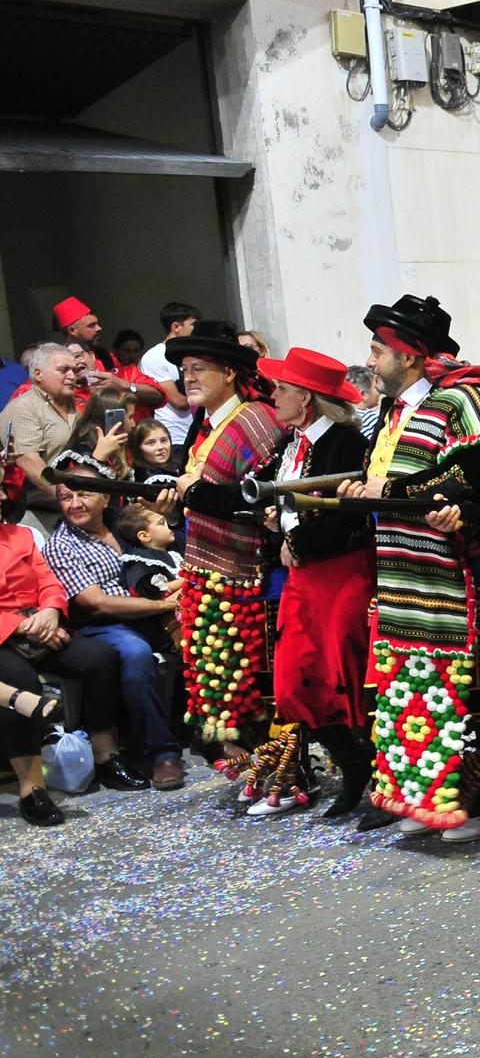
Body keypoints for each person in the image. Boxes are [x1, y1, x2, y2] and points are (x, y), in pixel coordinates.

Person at [345, 293, 480, 837]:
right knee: (410, 688)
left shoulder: (458, 401)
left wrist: (388, 490)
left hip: (451, 572)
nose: (369, 361)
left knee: (463, 687)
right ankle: (427, 797)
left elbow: (475, 474)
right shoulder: (393, 411)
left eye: (377, 350)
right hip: (398, 572)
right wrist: (363, 494)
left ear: (409, 356)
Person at [242, 349, 374, 818]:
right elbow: (261, 492)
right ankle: (353, 761)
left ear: (307, 398)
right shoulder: (288, 444)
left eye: (282, 388)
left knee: (347, 673)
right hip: (303, 578)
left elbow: (356, 518)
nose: (273, 395)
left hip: (341, 573)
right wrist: (275, 520)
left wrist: (300, 538)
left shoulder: (346, 444)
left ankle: (374, 771)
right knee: (295, 681)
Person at [167, 319, 283, 774]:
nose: (188, 378)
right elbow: (196, 492)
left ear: (230, 373)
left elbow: (262, 497)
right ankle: (247, 761)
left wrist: (192, 493)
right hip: (206, 568)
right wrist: (177, 504)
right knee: (217, 672)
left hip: (247, 571)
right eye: (184, 370)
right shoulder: (206, 425)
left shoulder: (255, 420)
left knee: (249, 673)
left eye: (198, 368)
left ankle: (278, 765)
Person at [40, 459, 186, 791]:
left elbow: (171, 540)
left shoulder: (124, 521)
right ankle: (162, 754)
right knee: (135, 652)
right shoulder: (62, 546)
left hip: (160, 612)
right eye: (65, 497)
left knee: (213, 625)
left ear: (106, 497)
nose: (74, 503)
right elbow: (97, 603)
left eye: (84, 494)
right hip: (106, 625)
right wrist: (163, 605)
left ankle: (224, 734)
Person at [0, 519, 134, 824]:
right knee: (19, 679)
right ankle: (32, 789)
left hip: (41, 626)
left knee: (99, 657)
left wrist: (50, 612)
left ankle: (106, 756)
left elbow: (48, 582)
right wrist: (21, 625)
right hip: (7, 635)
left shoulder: (19, 535)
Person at [0, 343, 84, 533]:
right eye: (63, 370)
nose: (72, 376)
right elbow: (29, 461)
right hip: (39, 512)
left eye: (74, 370)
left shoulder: (77, 405)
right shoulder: (24, 407)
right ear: (38, 374)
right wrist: (69, 496)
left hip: (81, 505)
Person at [139, 303, 199, 455]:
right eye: (193, 325)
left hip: (198, 435)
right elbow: (178, 401)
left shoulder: (194, 354)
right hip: (175, 438)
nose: (197, 330)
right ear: (176, 327)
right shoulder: (154, 357)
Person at [51, 296, 116, 373]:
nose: (99, 328)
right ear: (72, 330)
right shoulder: (55, 363)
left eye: (97, 324)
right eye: (91, 325)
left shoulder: (106, 356)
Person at [348, 367, 382, 441]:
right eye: (375, 388)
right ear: (363, 394)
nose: (379, 393)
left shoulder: (339, 417)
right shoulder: (373, 420)